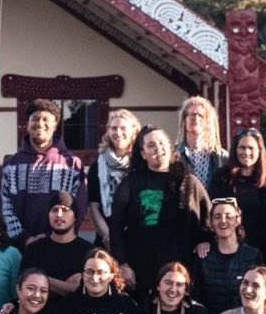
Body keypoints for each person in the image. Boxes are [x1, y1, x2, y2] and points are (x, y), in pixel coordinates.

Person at [109, 125, 211, 292]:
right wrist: (123, 264)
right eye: (151, 145)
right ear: (142, 153)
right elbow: (116, 228)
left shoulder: (188, 181)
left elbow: (207, 217)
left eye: (162, 143)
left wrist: (204, 239)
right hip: (141, 269)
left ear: (169, 147)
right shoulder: (131, 184)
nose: (158, 148)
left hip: (181, 269)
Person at [0, 98, 89, 245]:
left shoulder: (71, 164)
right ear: (27, 124)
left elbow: (77, 208)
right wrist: (25, 238)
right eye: (35, 119)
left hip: (59, 246)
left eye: (46, 119)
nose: (40, 124)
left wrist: (53, 237)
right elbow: (5, 208)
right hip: (19, 249)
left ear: (55, 125)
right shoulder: (10, 165)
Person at [208, 128, 266, 265]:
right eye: (242, 147)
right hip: (227, 250)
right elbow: (212, 214)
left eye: (251, 148)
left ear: (259, 151)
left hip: (261, 252)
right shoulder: (220, 177)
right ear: (235, 150)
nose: (246, 152)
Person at [193, 198, 265, 314]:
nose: (223, 221)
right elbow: (196, 297)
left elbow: (263, 294)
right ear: (211, 222)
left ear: (237, 220)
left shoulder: (253, 255)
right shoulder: (203, 256)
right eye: (217, 216)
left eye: (228, 216)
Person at [19, 192, 91, 299]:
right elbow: (23, 283)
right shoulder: (35, 249)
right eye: (54, 210)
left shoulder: (88, 251)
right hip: (41, 312)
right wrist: (67, 286)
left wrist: (40, 281)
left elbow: (87, 290)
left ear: (75, 216)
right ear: (48, 215)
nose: (59, 214)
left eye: (65, 210)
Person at [87, 108, 140, 249]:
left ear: (134, 131)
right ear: (108, 131)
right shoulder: (97, 166)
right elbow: (93, 208)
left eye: (123, 128)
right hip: (106, 239)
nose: (118, 133)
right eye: (114, 128)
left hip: (138, 237)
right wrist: (109, 238)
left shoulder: (141, 164)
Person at [176, 95, 228, 189]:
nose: (195, 118)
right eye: (191, 114)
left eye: (201, 115)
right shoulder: (174, 155)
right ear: (185, 119)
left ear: (209, 121)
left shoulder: (222, 157)